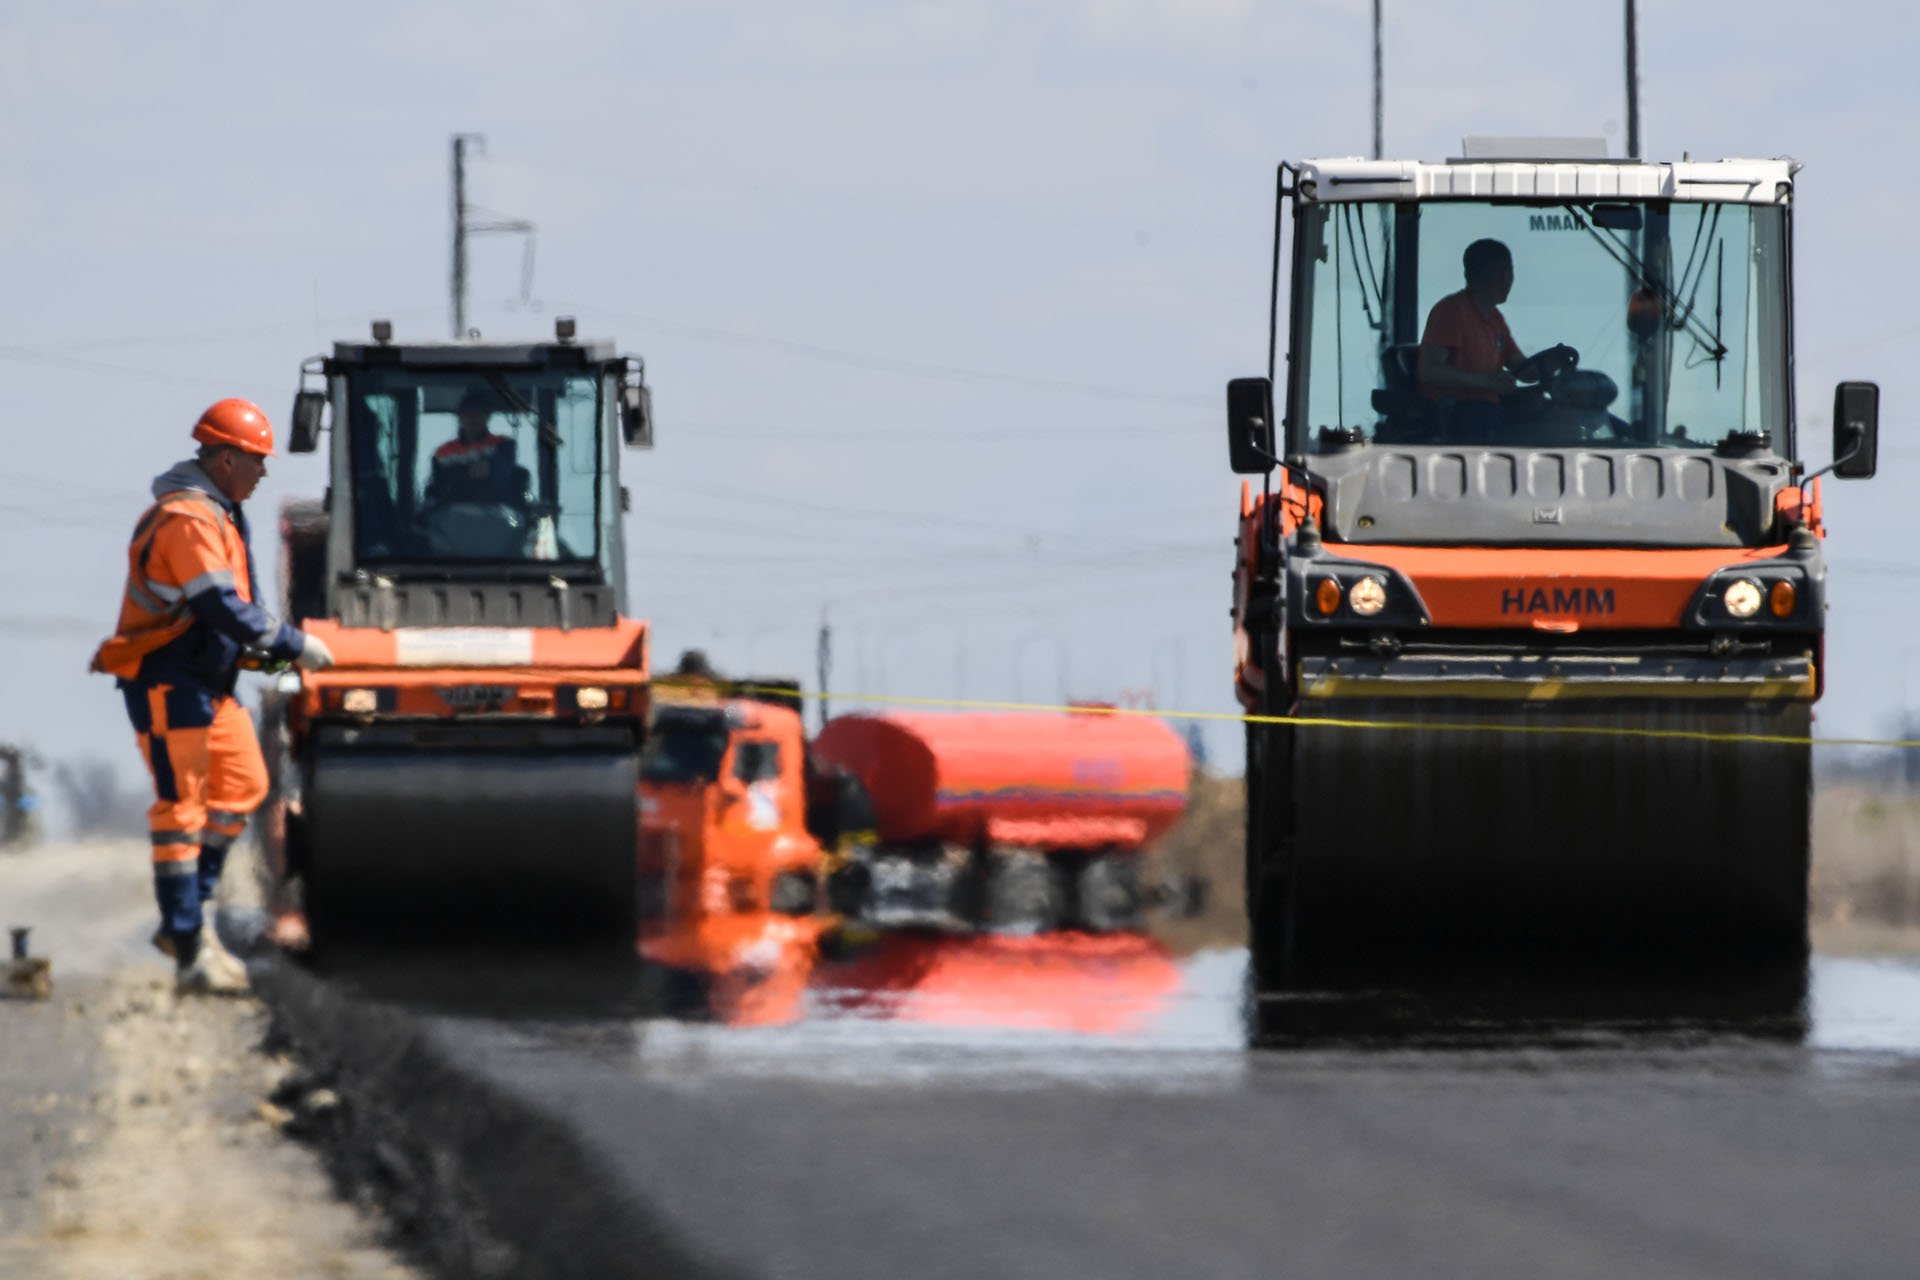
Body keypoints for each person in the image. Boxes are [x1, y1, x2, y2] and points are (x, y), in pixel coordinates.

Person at [91, 399, 335, 995]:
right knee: (183, 808)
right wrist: (297, 644)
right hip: (168, 684)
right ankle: (188, 942)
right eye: (256, 460)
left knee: (245, 785)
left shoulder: (220, 514)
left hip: (206, 685)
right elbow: (218, 608)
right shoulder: (188, 519)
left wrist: (277, 657)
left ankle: (188, 927)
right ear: (226, 459)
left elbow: (226, 623)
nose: (264, 472)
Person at [1417, 238, 1544, 434]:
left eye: (1507, 272)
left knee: (1550, 416)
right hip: (1458, 416)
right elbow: (1429, 371)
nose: (1508, 279)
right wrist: (1488, 382)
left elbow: (1521, 368)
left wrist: (1549, 367)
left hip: (1489, 411)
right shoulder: (1451, 311)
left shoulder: (1495, 319)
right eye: (1503, 271)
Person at [425, 387, 522, 507]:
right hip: (452, 516)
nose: (473, 418)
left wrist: (490, 468)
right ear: (460, 417)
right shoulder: (443, 452)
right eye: (468, 413)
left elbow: (505, 470)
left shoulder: (503, 444)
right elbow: (438, 486)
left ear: (487, 417)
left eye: (478, 413)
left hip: (498, 515)